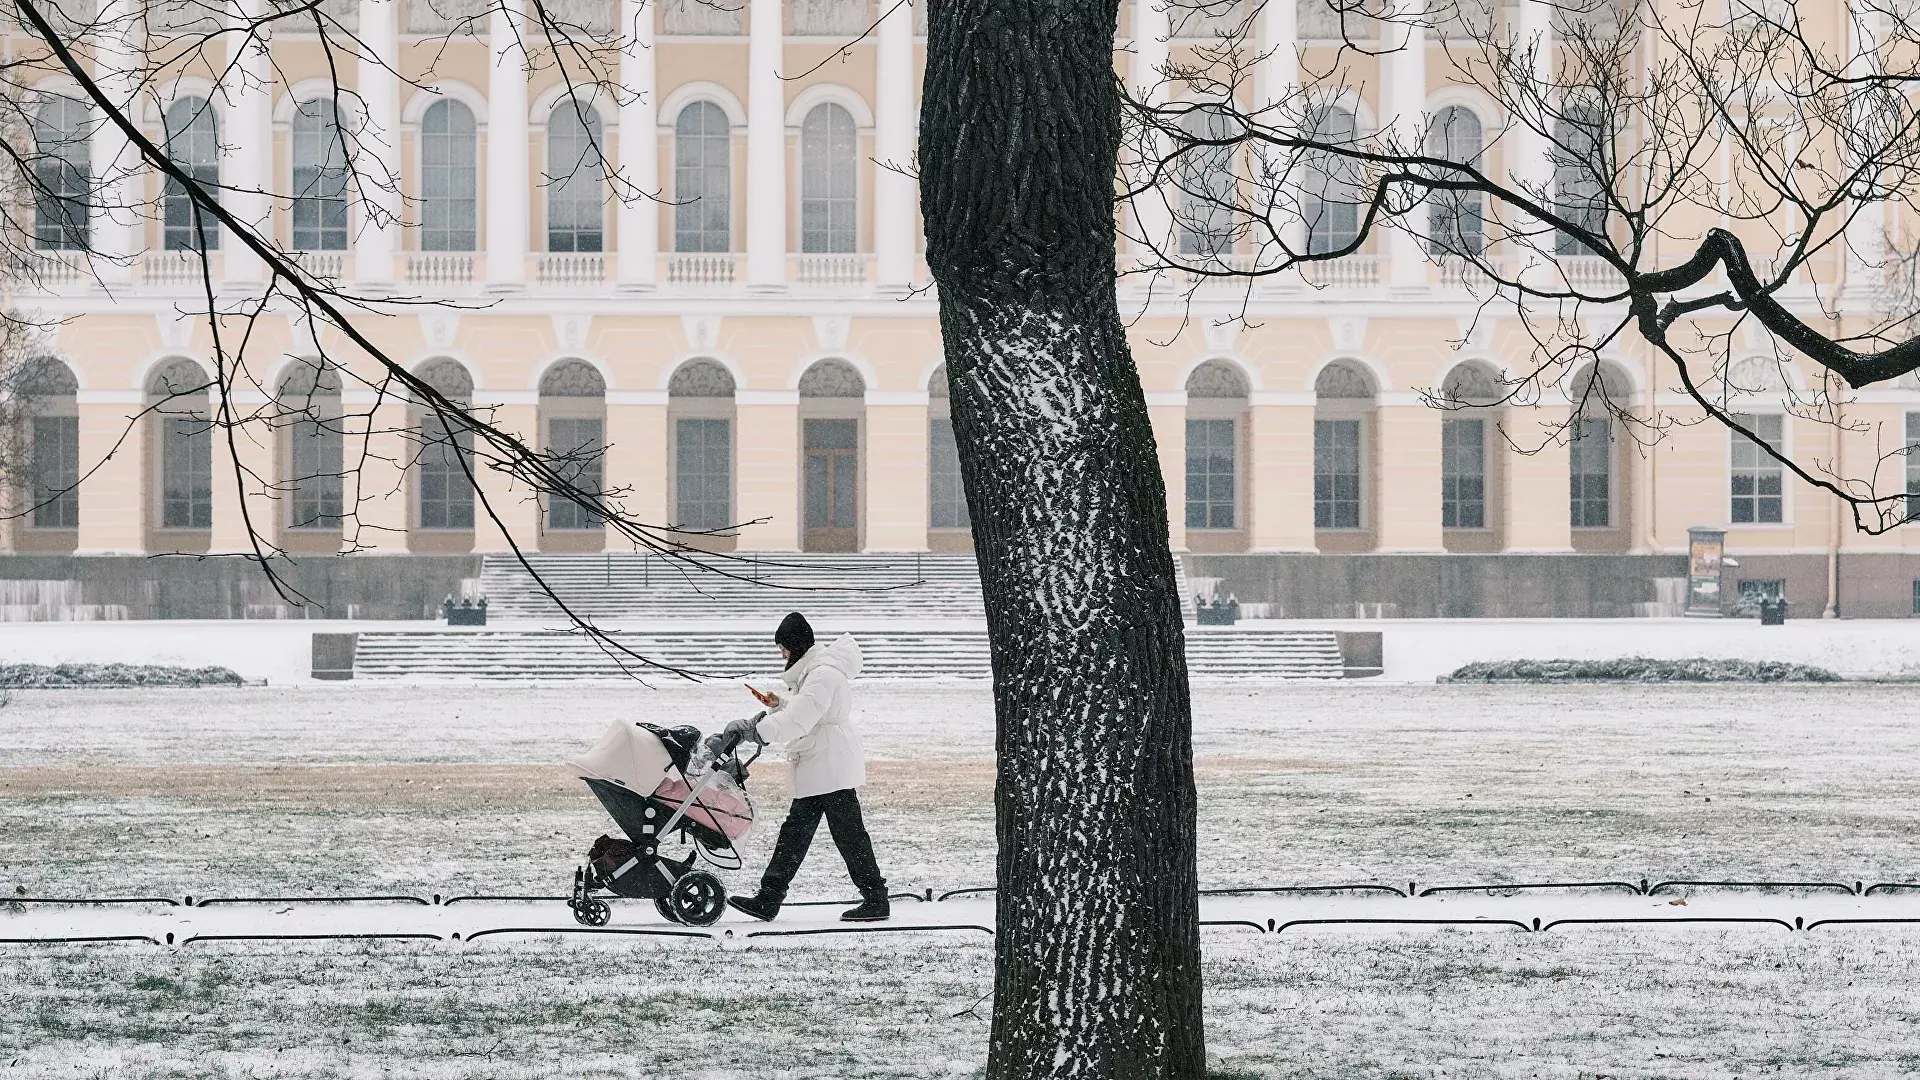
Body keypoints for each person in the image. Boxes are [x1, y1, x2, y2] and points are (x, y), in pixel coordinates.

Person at [721, 611, 890, 923]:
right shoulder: (816, 671)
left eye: (783, 647)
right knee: (801, 834)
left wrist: (757, 731)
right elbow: (808, 710)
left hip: (829, 764)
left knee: (843, 835)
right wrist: (779, 705)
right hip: (823, 762)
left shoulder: (822, 674)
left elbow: (802, 717)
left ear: (796, 645)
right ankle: (770, 898)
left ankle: (875, 899)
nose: (782, 654)